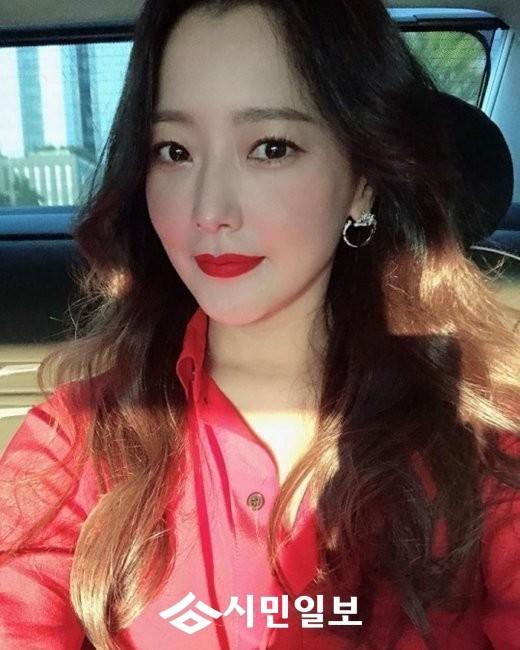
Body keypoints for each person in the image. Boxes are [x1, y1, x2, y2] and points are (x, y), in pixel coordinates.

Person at [1, 0, 519, 648]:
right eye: (174, 151)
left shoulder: (484, 436)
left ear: (361, 181)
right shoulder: (76, 438)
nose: (209, 209)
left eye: (271, 148)